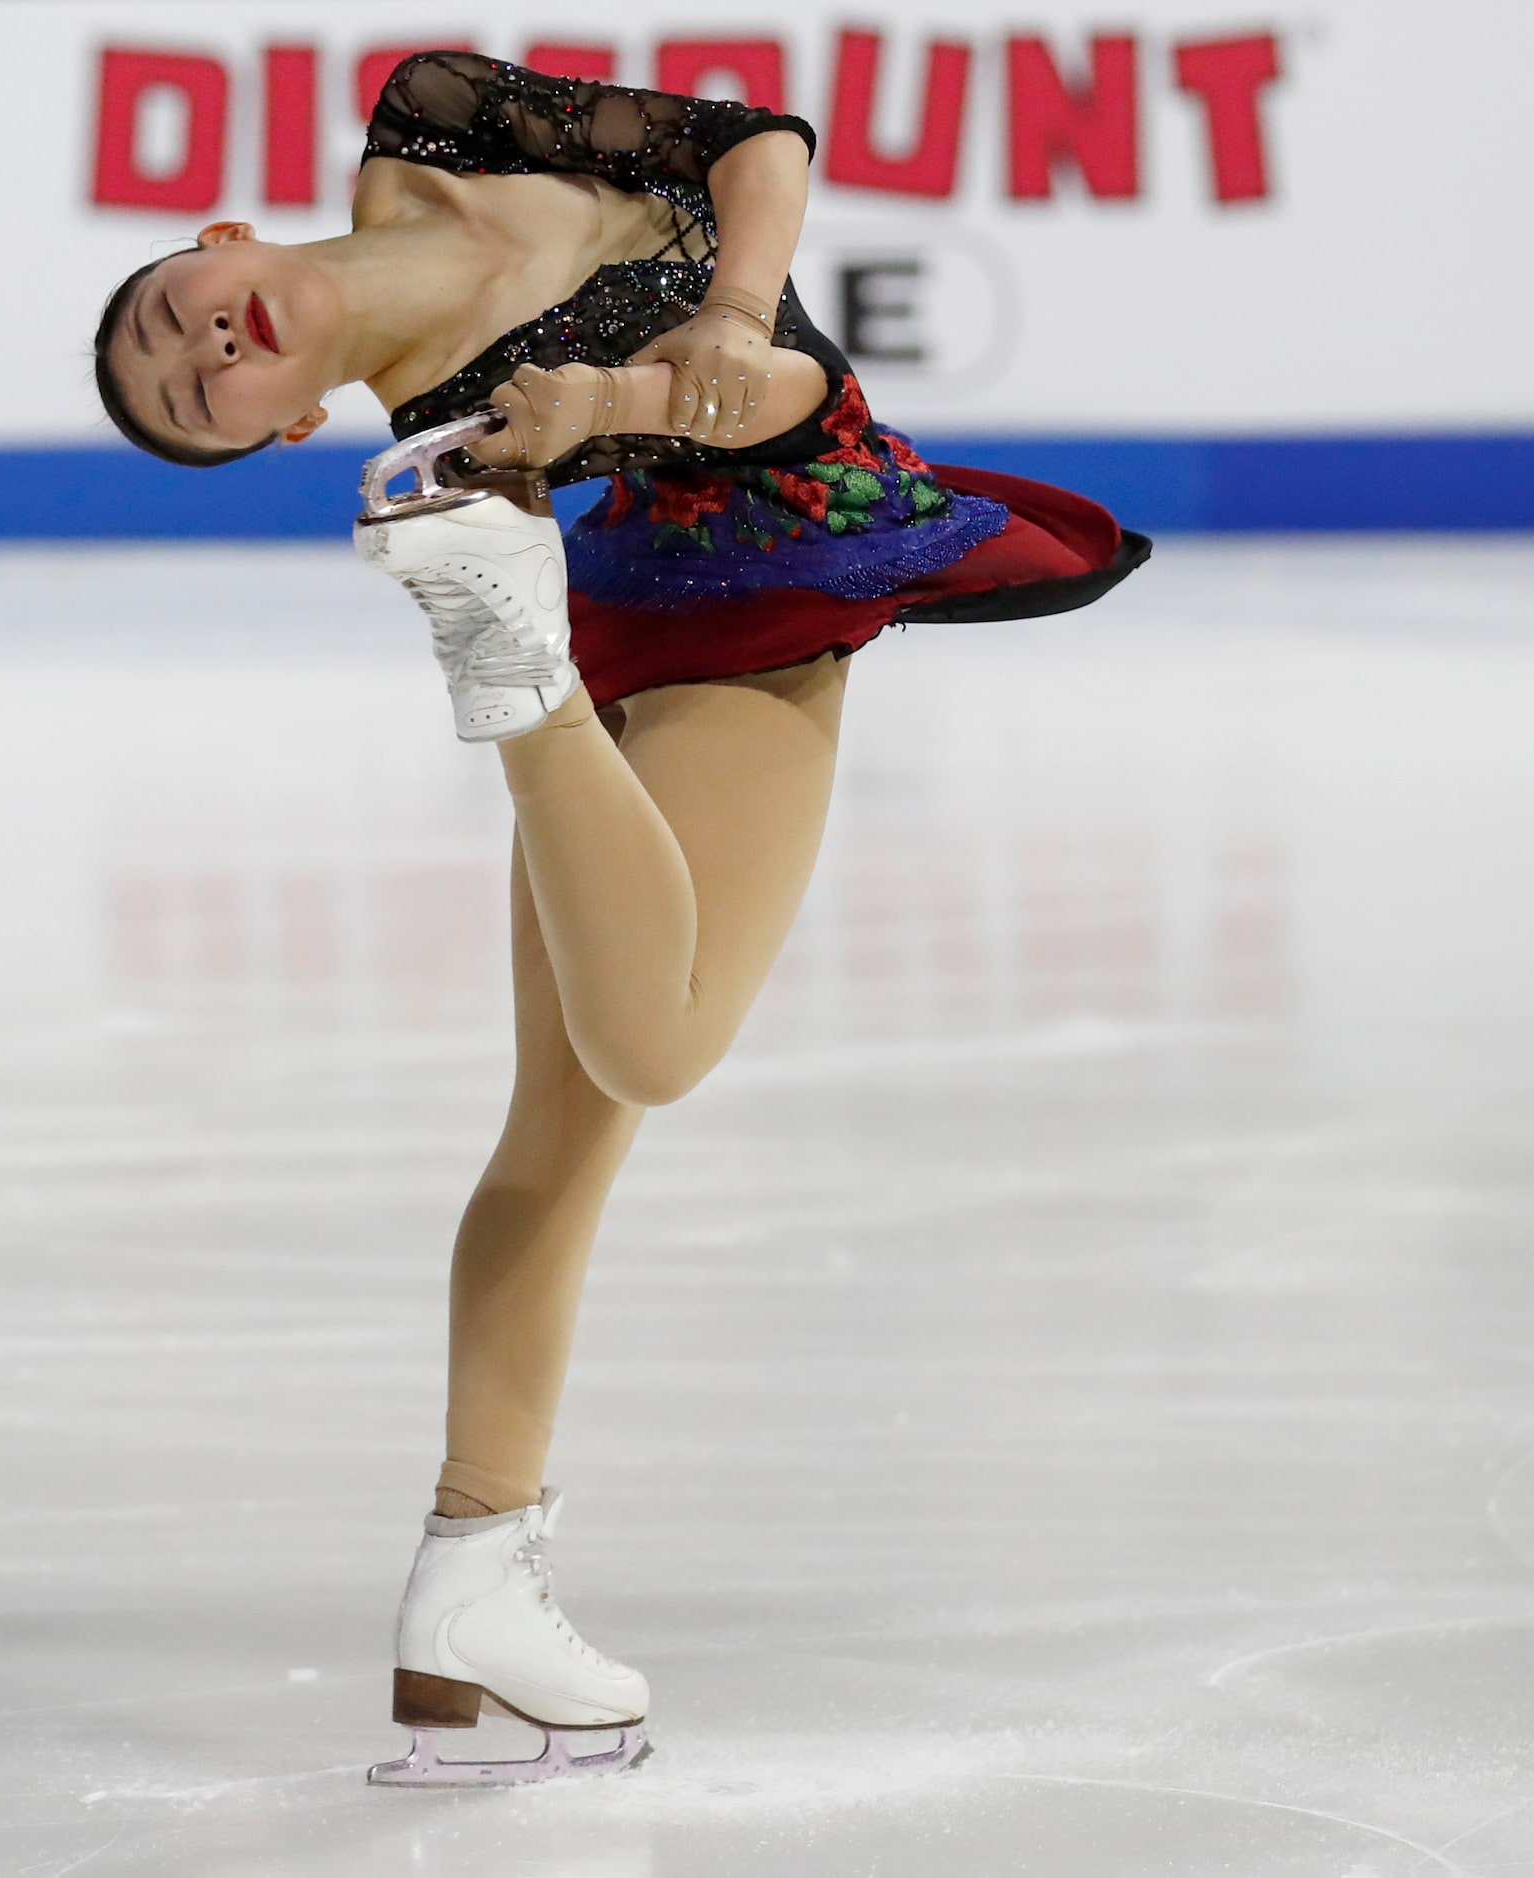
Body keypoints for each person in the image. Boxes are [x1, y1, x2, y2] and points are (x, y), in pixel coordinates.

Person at [93, 51, 1146, 1785]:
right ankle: (514, 677)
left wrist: (730, 309)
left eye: (170, 315)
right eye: (191, 394)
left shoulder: (431, 112)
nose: (198, 347)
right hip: (753, 567)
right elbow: (724, 409)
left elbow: (751, 142)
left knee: (564, 1125)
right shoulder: (455, 430)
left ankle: (469, 1577)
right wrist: (613, 409)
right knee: (646, 1042)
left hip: (702, 523)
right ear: (284, 432)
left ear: (210, 237)